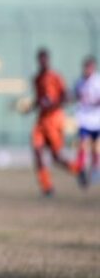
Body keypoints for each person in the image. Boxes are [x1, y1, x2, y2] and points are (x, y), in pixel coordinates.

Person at [30, 49, 79, 196]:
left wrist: (53, 104)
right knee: (37, 151)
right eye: (40, 60)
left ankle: (77, 169)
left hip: (54, 120)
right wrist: (30, 107)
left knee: (56, 157)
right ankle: (47, 187)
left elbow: (66, 96)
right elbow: (39, 100)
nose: (43, 62)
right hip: (41, 121)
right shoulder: (36, 79)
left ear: (48, 60)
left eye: (45, 59)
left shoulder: (56, 77)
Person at [74, 56, 100, 186]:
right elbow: (74, 96)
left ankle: (95, 170)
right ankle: (81, 169)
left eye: (90, 67)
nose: (87, 70)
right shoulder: (79, 82)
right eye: (86, 67)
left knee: (96, 147)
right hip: (84, 119)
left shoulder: (98, 81)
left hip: (97, 120)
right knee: (82, 144)